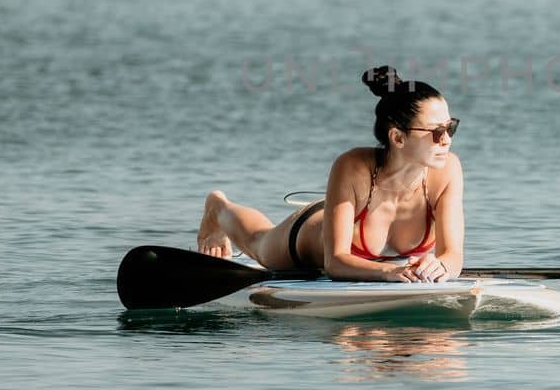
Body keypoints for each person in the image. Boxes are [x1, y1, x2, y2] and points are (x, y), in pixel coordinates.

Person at [196, 66, 463, 283]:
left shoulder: (448, 170)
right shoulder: (353, 166)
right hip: (310, 236)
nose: (446, 140)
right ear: (398, 138)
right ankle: (218, 209)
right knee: (259, 242)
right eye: (436, 132)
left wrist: (440, 265)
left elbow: (453, 257)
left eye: (450, 128)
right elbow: (335, 262)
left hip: (352, 215)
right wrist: (387, 272)